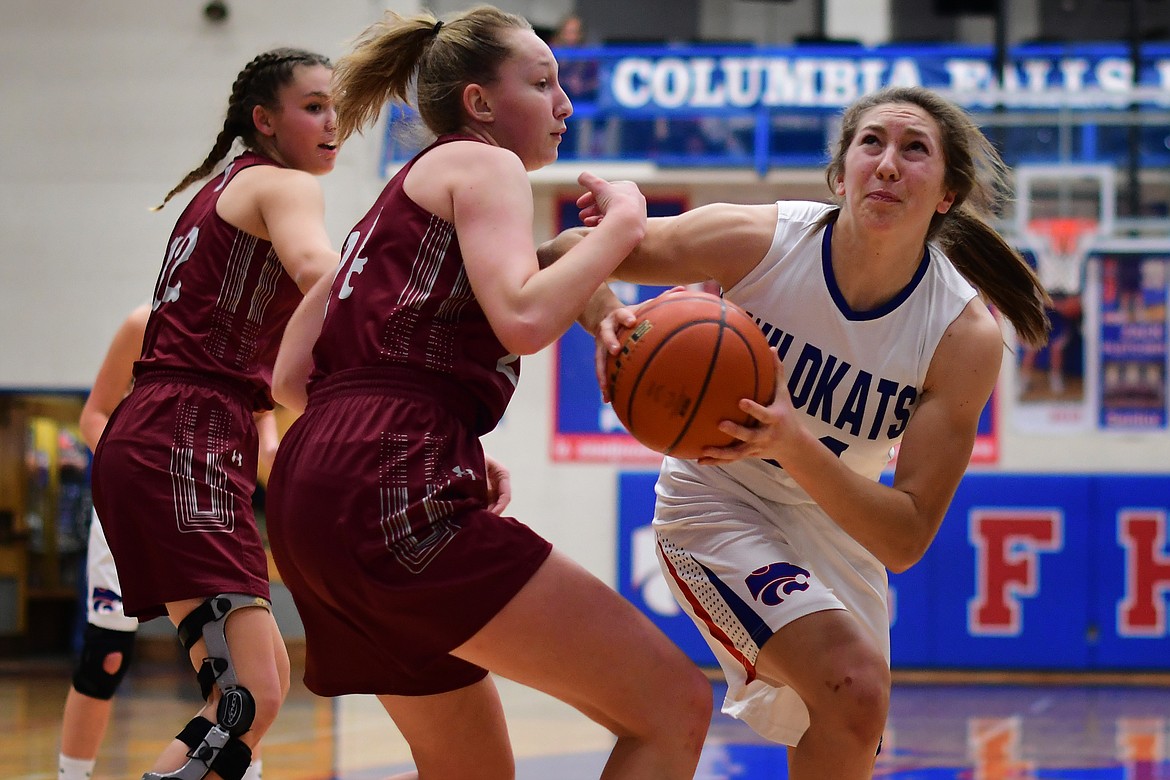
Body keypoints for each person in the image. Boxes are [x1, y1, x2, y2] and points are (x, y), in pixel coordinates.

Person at [552, 85, 1050, 779]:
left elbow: (904, 537)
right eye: (870, 143)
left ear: (946, 194)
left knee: (851, 713)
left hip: (840, 529)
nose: (887, 164)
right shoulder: (759, 240)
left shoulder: (961, 335)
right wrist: (606, 313)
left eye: (914, 150)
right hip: (717, 502)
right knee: (853, 681)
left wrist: (790, 440)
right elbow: (569, 249)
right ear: (839, 172)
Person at [264, 7, 711, 780]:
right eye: (542, 83)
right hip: (386, 475)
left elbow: (290, 378)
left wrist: (422, 436)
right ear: (478, 103)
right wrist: (626, 222)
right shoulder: (483, 162)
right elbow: (525, 317)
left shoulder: (391, 207)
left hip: (312, 494)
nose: (565, 104)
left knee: (469, 769)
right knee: (673, 708)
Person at [89, 47, 340, 780]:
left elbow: (290, 377)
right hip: (185, 435)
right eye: (314, 106)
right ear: (264, 120)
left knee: (240, 694)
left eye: (337, 107)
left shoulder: (221, 188)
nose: (333, 123)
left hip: (167, 432)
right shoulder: (282, 184)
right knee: (249, 696)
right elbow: (323, 273)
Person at [60, 305, 277, 780]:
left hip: (209, 503)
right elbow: (94, 412)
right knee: (106, 656)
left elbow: (268, 440)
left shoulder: (255, 336)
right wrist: (143, 467)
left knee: (243, 666)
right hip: (142, 493)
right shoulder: (146, 322)